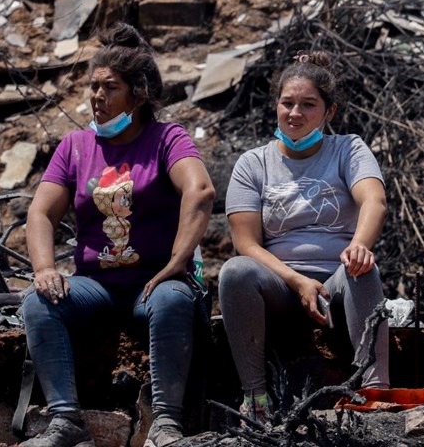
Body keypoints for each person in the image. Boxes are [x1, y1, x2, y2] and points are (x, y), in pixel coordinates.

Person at [20, 23, 215, 447]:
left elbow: (200, 191)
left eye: (109, 87)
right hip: (96, 287)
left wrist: (178, 264)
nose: (96, 97)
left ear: (138, 94)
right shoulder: (74, 146)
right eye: (93, 87)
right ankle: (66, 423)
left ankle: (165, 424)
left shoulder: (167, 139)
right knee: (38, 303)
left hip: (153, 283)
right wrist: (44, 268)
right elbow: (40, 212)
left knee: (172, 300)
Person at [220, 52, 390, 423]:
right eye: (287, 103)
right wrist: (297, 281)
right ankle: (256, 398)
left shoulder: (348, 149)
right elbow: (246, 243)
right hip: (278, 284)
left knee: (363, 268)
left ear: (329, 112)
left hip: (336, 280)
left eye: (308, 105)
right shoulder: (253, 163)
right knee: (235, 271)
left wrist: (359, 245)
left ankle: (374, 392)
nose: (295, 113)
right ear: (276, 107)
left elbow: (373, 201)